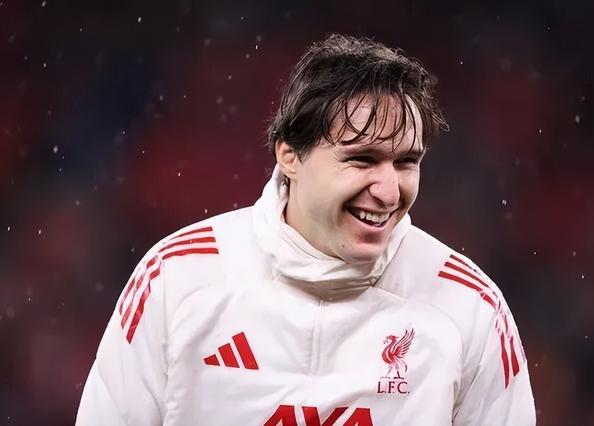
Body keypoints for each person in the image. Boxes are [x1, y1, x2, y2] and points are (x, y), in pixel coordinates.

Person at [76, 34, 535, 425]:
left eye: (405, 162)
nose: (389, 191)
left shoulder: (468, 309)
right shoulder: (176, 281)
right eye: (362, 159)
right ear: (290, 155)